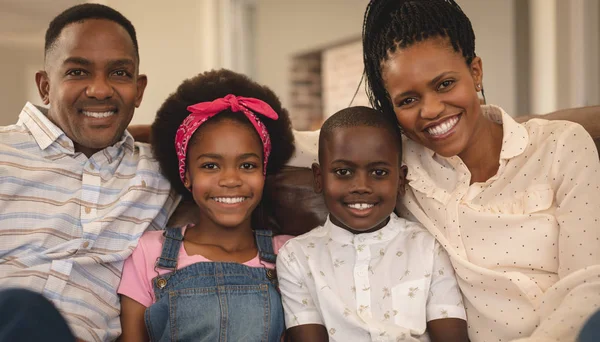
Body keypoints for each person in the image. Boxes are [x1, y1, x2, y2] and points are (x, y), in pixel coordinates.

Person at [286, 0, 600, 341]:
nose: (431, 110)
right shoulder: (396, 163)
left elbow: (587, 285)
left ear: (476, 72)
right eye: (407, 100)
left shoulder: (560, 144)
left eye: (445, 84)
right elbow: (310, 145)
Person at [0, 4, 177, 341]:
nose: (100, 90)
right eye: (78, 72)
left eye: (119, 73)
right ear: (45, 86)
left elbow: (241, 143)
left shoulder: (160, 170)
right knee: (22, 308)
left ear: (139, 90)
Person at [117, 69, 296, 341]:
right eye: (210, 166)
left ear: (264, 172)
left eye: (247, 165)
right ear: (186, 175)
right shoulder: (147, 252)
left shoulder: (289, 255)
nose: (230, 180)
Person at [277, 106, 468, 342]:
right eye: (343, 171)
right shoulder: (296, 257)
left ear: (400, 180)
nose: (361, 186)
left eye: (378, 172)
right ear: (319, 178)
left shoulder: (426, 248)